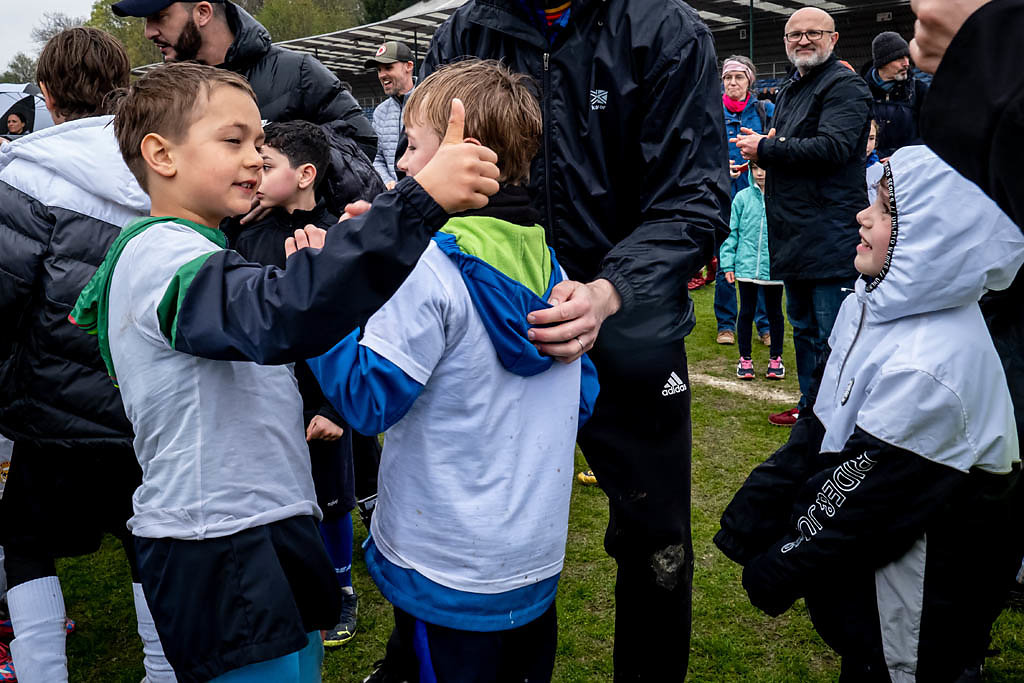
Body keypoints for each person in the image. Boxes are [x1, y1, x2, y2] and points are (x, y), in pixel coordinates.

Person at [68, 61, 497, 681]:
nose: (255, 156)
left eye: (260, 140)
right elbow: (279, 315)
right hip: (215, 542)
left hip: (272, 526)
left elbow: (295, 317)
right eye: (233, 140)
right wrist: (416, 204)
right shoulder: (156, 256)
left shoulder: (213, 251)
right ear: (160, 154)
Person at [423, 1, 730, 680]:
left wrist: (606, 290)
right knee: (493, 545)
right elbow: (424, 166)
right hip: (503, 334)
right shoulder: (463, 32)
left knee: (656, 545)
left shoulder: (663, 28)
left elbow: (697, 196)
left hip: (632, 331)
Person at [306, 58, 599, 682]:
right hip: (530, 557)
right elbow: (583, 397)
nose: (404, 165)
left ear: (465, 153)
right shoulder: (552, 268)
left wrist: (325, 293)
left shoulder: (426, 271)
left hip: (444, 559)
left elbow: (365, 399)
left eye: (414, 147)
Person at [715, 145, 1024, 681]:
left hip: (920, 611)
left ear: (931, 240)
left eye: (885, 210)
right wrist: (754, 510)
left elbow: (860, 498)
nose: (862, 215)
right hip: (874, 601)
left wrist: (781, 564)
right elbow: (821, 419)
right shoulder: (872, 307)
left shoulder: (932, 366)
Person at [0, 28, 175, 683]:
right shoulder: (161, 164)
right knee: (148, 537)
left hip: (51, 409)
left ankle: (44, 672)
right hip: (144, 397)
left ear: (44, 94)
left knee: (24, 542)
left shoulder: (23, 177)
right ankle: (162, 670)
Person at [229, 120, 360, 649]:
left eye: (267, 164)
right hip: (266, 397)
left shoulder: (340, 234)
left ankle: (342, 587)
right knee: (282, 492)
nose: (255, 172)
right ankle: (291, 580)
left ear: (305, 174)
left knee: (331, 495)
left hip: (322, 397)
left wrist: (336, 405)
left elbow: (358, 321)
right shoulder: (246, 233)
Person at [733, 6, 871, 428]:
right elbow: (785, 145)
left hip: (829, 235)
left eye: (814, 33)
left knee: (835, 335)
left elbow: (832, 147)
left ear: (833, 39)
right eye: (795, 35)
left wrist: (768, 150)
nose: (803, 41)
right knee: (805, 332)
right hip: (794, 235)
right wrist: (764, 155)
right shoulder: (793, 90)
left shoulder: (845, 88)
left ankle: (844, 419)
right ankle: (813, 411)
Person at [111, 0, 383, 210]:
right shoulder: (169, 93)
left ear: (203, 13)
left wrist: (284, 184)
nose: (148, 32)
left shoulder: (297, 72)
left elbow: (362, 141)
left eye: (159, 17)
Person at [716, 54, 773, 348]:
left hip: (757, 194)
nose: (732, 83)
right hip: (724, 196)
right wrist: (717, 166)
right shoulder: (711, 111)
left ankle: (764, 325)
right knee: (725, 256)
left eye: (738, 77)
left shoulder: (765, 110)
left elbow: (779, 145)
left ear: (749, 80)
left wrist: (761, 158)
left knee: (759, 257)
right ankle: (726, 324)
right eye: (727, 78)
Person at [719, 160, 785, 382]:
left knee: (775, 314)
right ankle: (744, 359)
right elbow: (731, 232)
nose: (760, 173)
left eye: (764, 167)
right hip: (746, 267)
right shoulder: (742, 198)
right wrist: (728, 263)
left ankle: (776, 359)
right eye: (755, 168)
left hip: (775, 269)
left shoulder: (784, 198)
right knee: (745, 312)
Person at [859, 31, 929, 159]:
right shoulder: (860, 92)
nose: (906, 63)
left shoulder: (919, 90)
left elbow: (930, 132)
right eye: (899, 58)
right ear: (883, 62)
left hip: (911, 165)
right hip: (873, 167)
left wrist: (901, 158)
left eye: (907, 57)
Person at [365, 41, 415, 189]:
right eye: (379, 70)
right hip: (395, 196)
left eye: (388, 67)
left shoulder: (430, 102)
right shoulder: (380, 112)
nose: (382, 75)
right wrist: (387, 181)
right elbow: (378, 158)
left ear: (409, 66)